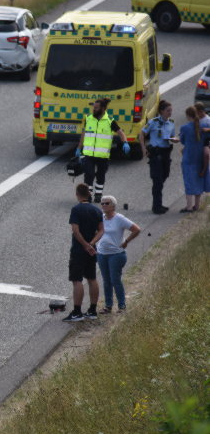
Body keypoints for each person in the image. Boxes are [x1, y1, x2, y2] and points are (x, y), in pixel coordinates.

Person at [75, 98, 130, 203]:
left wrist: (125, 142)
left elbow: (120, 132)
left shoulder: (110, 121)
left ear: (103, 108)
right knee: (89, 174)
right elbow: (83, 134)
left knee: (100, 175)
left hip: (103, 155)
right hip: (89, 154)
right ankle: (88, 195)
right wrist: (78, 148)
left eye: (96, 108)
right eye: (93, 107)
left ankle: (98, 195)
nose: (94, 109)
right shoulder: (88, 118)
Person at [64, 183, 104, 322]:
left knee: (77, 280)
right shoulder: (96, 210)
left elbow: (75, 230)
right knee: (92, 278)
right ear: (89, 194)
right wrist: (92, 244)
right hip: (92, 250)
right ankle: (92, 310)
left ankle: (77, 312)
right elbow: (101, 230)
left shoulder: (76, 209)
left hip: (78, 250)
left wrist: (85, 245)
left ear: (77, 194)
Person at [96, 196, 141, 314]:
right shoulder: (101, 218)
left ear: (113, 206)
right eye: (102, 203)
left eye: (107, 203)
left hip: (116, 255)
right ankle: (108, 306)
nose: (104, 205)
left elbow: (136, 229)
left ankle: (121, 305)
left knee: (115, 279)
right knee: (106, 281)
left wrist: (126, 241)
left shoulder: (119, 218)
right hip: (102, 254)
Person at [140, 100, 179, 214]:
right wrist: (143, 148)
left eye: (171, 110)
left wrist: (174, 139)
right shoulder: (153, 122)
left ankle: (158, 203)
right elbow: (142, 134)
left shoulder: (171, 123)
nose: (170, 113)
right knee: (157, 181)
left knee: (165, 175)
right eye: (168, 110)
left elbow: (172, 137)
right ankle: (156, 206)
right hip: (156, 154)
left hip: (166, 153)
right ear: (161, 111)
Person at [179, 107, 210, 212]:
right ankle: (196, 205)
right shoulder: (204, 127)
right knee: (198, 181)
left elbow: (182, 141)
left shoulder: (185, 128)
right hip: (199, 159)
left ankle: (188, 206)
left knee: (188, 182)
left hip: (188, 158)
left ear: (188, 115)